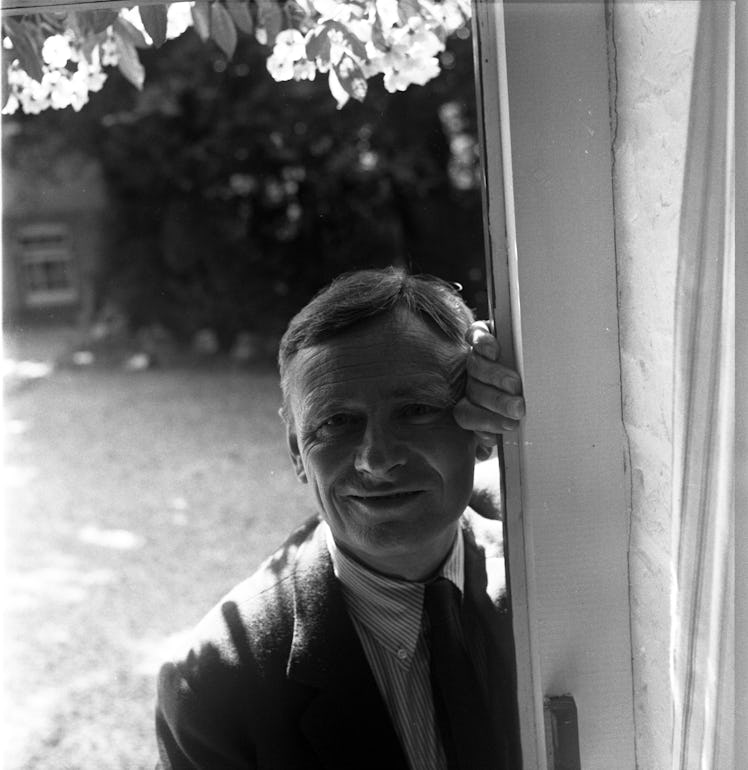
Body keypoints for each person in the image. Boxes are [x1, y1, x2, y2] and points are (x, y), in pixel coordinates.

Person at [155, 268, 526, 770]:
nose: (377, 458)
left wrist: (531, 372)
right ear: (296, 451)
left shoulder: (547, 555)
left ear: (478, 425)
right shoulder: (217, 684)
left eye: (416, 410)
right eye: (336, 423)